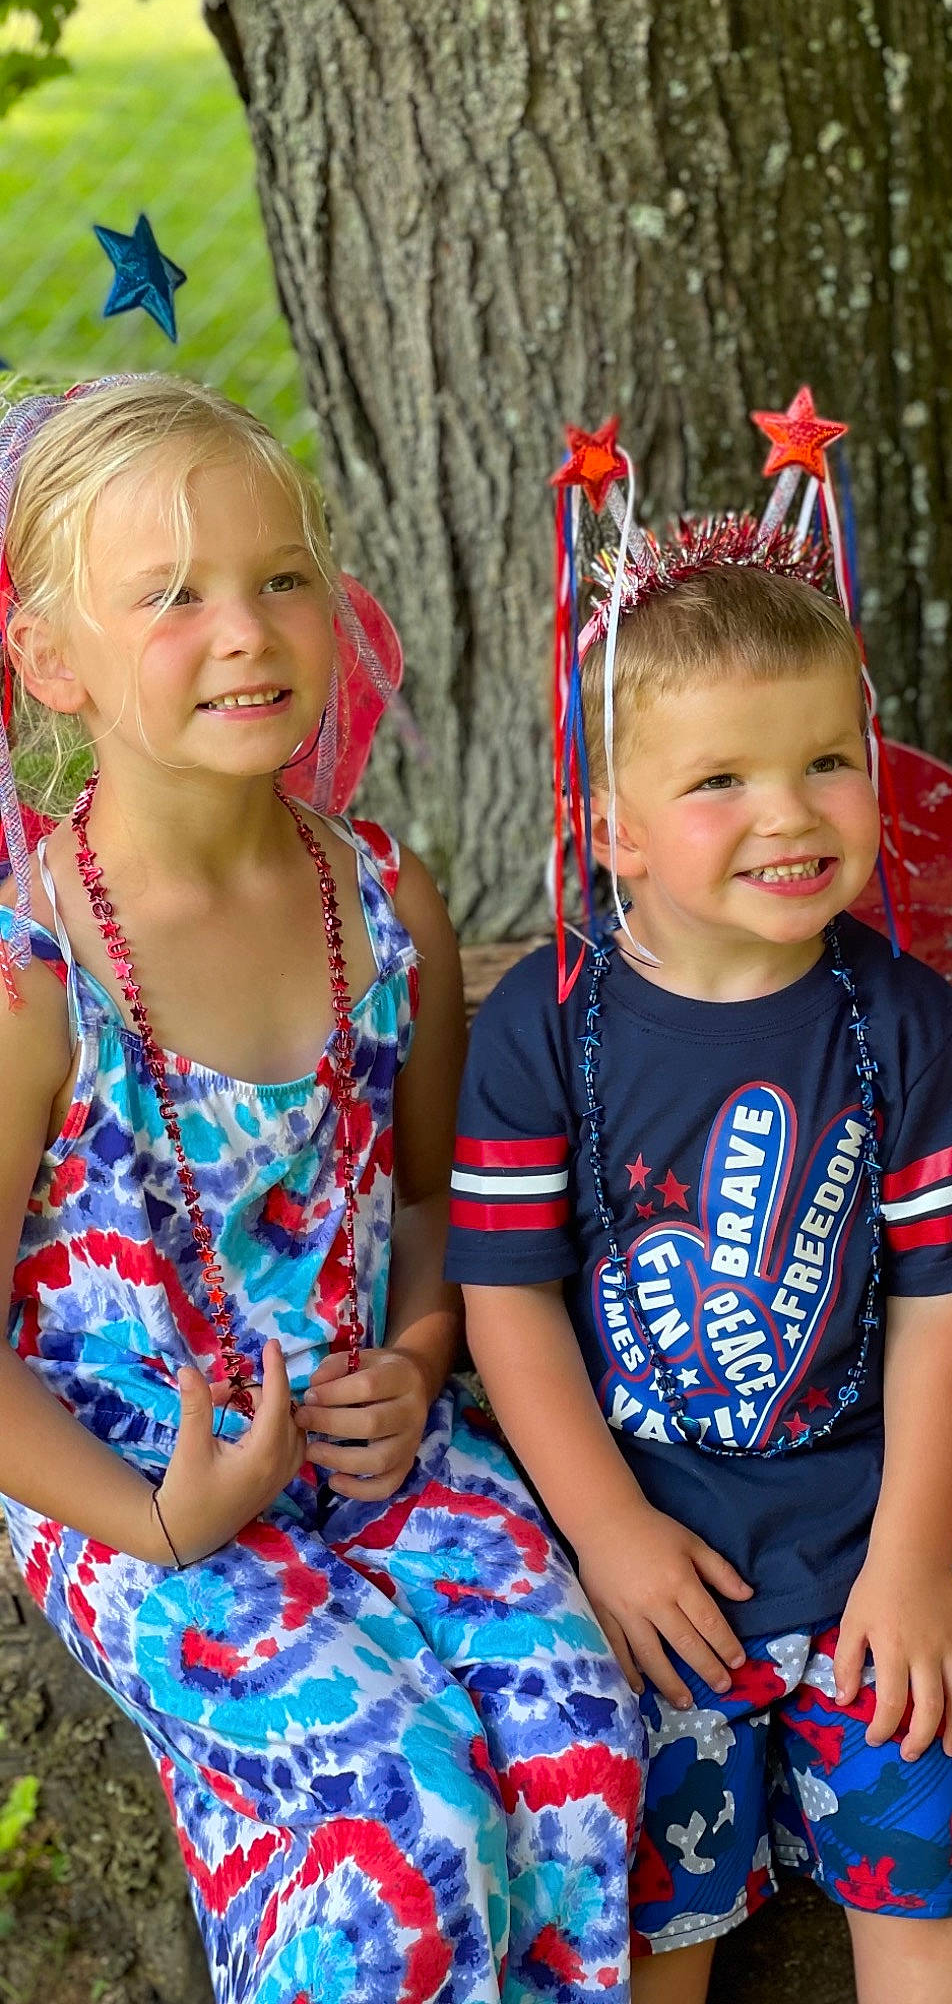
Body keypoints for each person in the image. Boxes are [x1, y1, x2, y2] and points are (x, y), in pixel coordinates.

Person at [0, 375, 642, 2004]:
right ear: (52, 661)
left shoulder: (380, 896)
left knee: (582, 1723)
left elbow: (426, 1207)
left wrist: (420, 1362)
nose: (247, 628)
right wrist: (154, 1513)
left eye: (281, 575)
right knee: (396, 1805)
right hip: (129, 1464)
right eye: (172, 595)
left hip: (373, 1425)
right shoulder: (33, 969)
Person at [449, 493, 952, 2004]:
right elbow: (505, 1302)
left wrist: (913, 1559)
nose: (792, 812)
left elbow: (941, 1295)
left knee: (923, 1892)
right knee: (654, 1923)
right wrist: (609, 1535)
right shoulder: (544, 1034)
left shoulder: (898, 1021)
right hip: (656, 1582)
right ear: (610, 826)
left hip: (861, 1564)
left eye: (828, 761)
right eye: (723, 778)